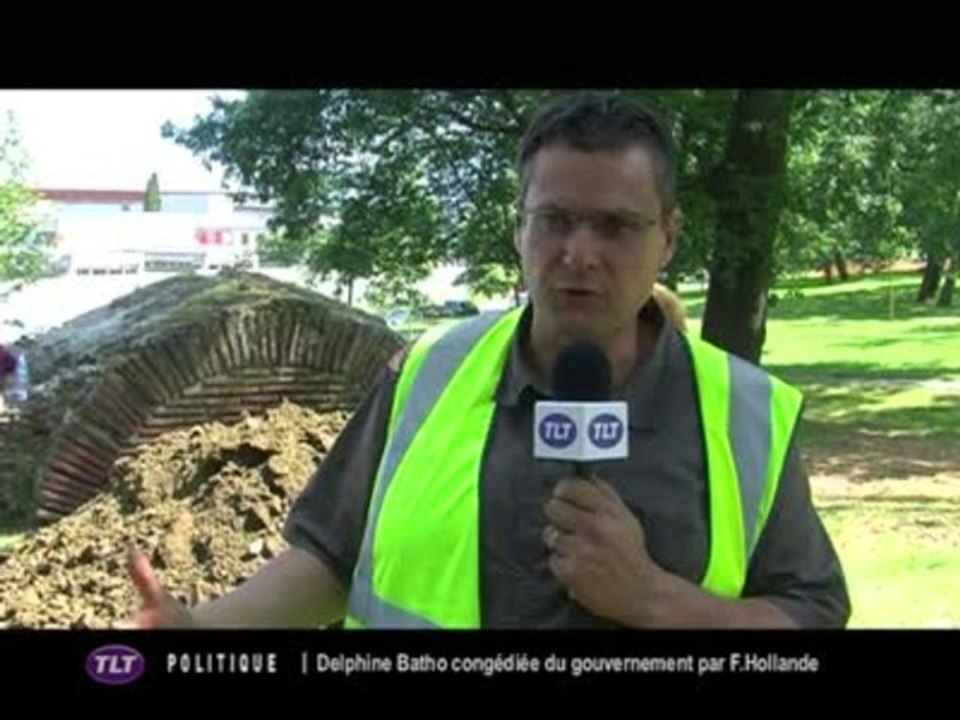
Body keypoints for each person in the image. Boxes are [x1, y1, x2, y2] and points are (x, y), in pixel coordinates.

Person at [126, 93, 850, 629]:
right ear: (519, 229)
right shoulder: (425, 373)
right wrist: (198, 631)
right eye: (555, 220)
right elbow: (330, 560)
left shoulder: (749, 413)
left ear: (669, 237)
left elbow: (810, 610)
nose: (580, 253)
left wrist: (655, 600)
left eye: (617, 226)